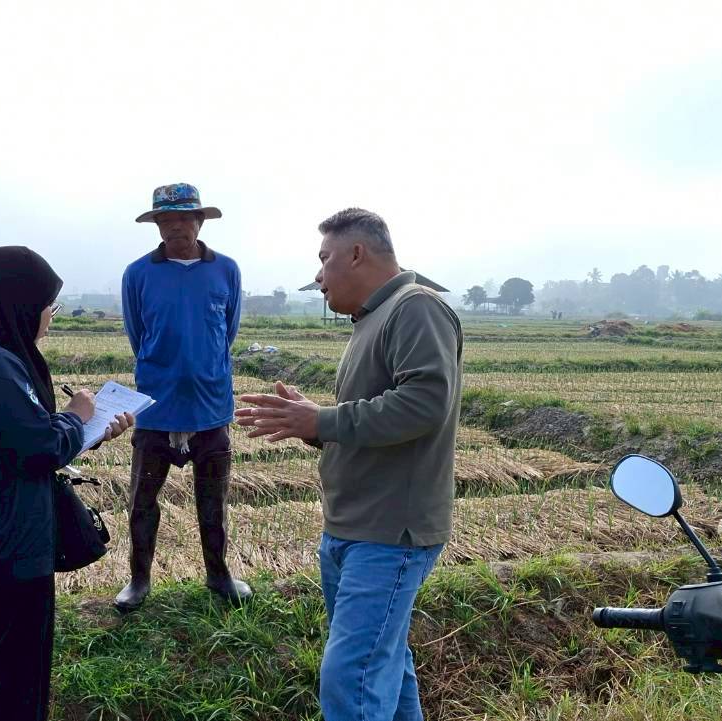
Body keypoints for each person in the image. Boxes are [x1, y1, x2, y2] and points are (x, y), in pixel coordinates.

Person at [236, 208, 463, 721]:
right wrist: (311, 424)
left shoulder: (415, 308)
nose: (317, 277)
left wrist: (323, 421)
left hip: (389, 532)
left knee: (352, 679)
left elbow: (425, 405)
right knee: (383, 665)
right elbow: (373, 425)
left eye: (324, 259)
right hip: (351, 527)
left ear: (356, 254)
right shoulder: (372, 319)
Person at [0, 246, 133, 721]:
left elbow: (15, 440)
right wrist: (77, 417)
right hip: (9, 536)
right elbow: (37, 447)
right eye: (47, 306)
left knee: (13, 665)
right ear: (16, 304)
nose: (50, 318)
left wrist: (85, 433)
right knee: (10, 673)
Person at [116, 182, 249, 612]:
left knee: (213, 500)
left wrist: (202, 367)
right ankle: (138, 580)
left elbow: (227, 333)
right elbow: (139, 336)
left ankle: (219, 574)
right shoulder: (137, 274)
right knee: (143, 499)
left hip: (212, 408)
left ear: (200, 221)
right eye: (166, 220)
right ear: (156, 226)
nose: (176, 227)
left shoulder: (226, 270)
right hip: (156, 408)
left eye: (184, 218)